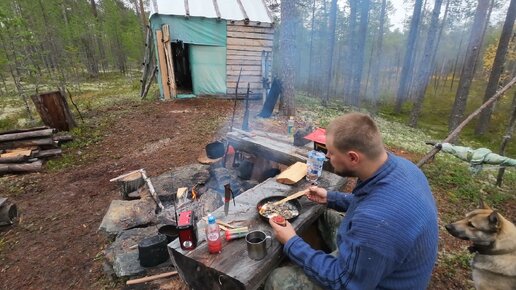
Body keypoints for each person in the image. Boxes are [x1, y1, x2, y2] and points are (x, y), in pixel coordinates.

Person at [265, 112, 438, 290]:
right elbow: (371, 200)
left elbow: (344, 282)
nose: (327, 157)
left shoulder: (375, 222)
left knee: (278, 279)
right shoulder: (403, 167)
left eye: (331, 153)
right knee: (326, 218)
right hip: (383, 258)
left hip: (378, 282)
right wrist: (331, 198)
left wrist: (292, 242)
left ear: (353, 157)